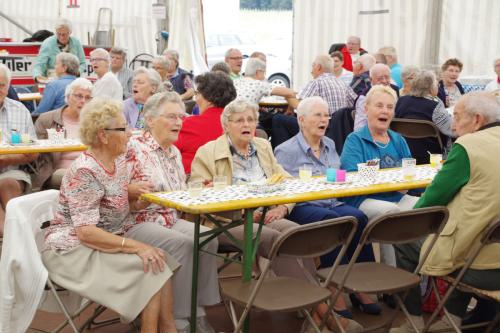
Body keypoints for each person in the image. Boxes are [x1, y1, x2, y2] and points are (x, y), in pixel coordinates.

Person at [191, 99, 362, 333]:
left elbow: (289, 184)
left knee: (296, 233)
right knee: (277, 240)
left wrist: (282, 208)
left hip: (267, 214)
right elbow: (196, 190)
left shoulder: (262, 147)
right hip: (227, 221)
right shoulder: (208, 152)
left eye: (251, 119)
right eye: (240, 120)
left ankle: (312, 311)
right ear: (226, 125)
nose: (247, 124)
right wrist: (230, 203)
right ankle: (325, 315)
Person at [41, 98, 179, 333]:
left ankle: (167, 328)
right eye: (123, 128)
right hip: (71, 250)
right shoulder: (85, 170)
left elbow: (116, 209)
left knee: (158, 260)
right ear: (103, 136)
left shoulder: (119, 162)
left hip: (101, 240)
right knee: (150, 265)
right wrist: (136, 246)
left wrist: (136, 201)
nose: (130, 133)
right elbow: (86, 232)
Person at [390, 92, 500, 333]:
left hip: (482, 269)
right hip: (492, 252)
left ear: (477, 119)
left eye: (457, 117)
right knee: (470, 234)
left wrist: (409, 222)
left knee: (406, 239)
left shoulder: (469, 146)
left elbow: (431, 200)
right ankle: (453, 319)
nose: (452, 125)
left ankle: (413, 322)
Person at [275, 96, 381, 319]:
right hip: (302, 204)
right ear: (302, 120)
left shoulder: (330, 144)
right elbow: (284, 188)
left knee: (358, 217)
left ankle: (359, 283)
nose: (325, 120)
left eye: (327, 115)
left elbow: (337, 174)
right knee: (334, 222)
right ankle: (334, 287)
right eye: (318, 115)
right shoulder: (286, 151)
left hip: (331, 200)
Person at [125, 92, 219, 333]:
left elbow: (177, 191)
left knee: (208, 238)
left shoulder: (173, 151)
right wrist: (132, 191)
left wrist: (199, 188)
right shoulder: (133, 147)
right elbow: (112, 187)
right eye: (171, 117)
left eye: (181, 116)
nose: (179, 122)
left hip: (168, 218)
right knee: (182, 244)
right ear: (150, 119)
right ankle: (178, 320)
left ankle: (197, 310)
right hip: (136, 220)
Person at [341, 85, 419, 266]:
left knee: (426, 205)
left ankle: (421, 268)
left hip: (395, 196)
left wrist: (394, 180)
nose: (385, 111)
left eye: (390, 107)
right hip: (362, 199)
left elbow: (408, 178)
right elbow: (355, 178)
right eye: (379, 105)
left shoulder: (398, 139)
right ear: (366, 109)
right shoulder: (355, 140)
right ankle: (390, 273)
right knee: (389, 213)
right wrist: (394, 179)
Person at [271, 54, 357, 147]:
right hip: (339, 131)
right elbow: (354, 104)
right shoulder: (342, 84)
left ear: (318, 67)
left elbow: (299, 106)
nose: (311, 70)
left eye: (313, 65)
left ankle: (282, 156)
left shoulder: (317, 82)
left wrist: (287, 95)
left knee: (278, 119)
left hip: (320, 128)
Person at [34, 78, 93, 189]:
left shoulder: (93, 121)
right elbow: (36, 153)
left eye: (87, 98)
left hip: (90, 170)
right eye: (79, 96)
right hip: (57, 172)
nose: (83, 101)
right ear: (68, 97)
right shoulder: (47, 119)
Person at [0, 64, 38, 235]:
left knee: (7, 183)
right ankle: (11, 234)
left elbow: (33, 152)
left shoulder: (20, 110)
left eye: (2, 85)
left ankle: (14, 233)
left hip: (12, 170)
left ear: (9, 86)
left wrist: (5, 160)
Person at [175, 71, 236, 173]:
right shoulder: (244, 124)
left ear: (208, 98)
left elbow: (167, 154)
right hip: (234, 181)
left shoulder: (186, 125)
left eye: (197, 94)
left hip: (194, 183)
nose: (195, 98)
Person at [395, 70, 453, 164]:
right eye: (436, 84)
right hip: (431, 156)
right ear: (431, 88)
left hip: (403, 153)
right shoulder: (435, 107)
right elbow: (452, 130)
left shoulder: (400, 101)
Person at [353, 63, 400, 131]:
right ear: (371, 79)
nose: (384, 81)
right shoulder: (364, 96)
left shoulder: (395, 90)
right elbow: (359, 126)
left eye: (387, 77)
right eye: (380, 78)